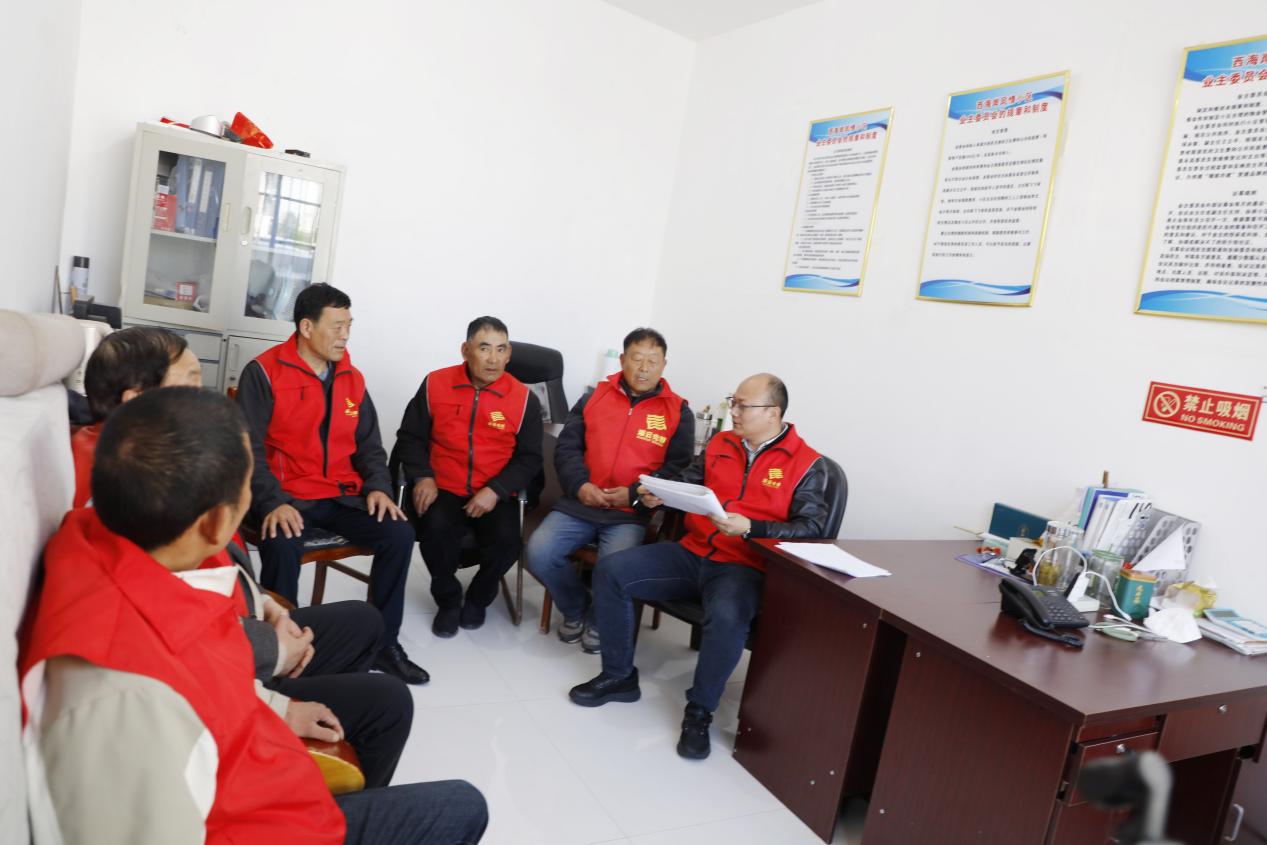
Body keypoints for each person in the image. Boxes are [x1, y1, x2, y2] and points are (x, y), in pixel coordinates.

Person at [20, 388, 488, 844]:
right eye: (248, 487)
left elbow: (210, 660)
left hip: (249, 750)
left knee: (379, 676)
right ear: (216, 524)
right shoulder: (127, 702)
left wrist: (277, 706)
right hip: (250, 815)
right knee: (462, 806)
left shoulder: (108, 534)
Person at [72, 325, 413, 789]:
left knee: (366, 617)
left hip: (249, 612)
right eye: (190, 381)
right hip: (232, 665)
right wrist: (275, 661)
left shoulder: (152, 457)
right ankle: (316, 759)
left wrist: (269, 606)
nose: (204, 395)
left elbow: (370, 447)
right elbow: (170, 645)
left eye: (350, 324)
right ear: (136, 400)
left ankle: (323, 735)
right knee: (389, 701)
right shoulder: (129, 490)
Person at [569, 374, 832, 760]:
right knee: (612, 571)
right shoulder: (721, 444)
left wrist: (753, 527)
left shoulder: (807, 464)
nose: (733, 411)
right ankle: (619, 675)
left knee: (727, 617)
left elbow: (813, 529)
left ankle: (700, 711)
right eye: (733, 402)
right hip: (693, 551)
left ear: (773, 413)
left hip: (743, 565)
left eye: (743, 405)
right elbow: (687, 483)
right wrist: (655, 495)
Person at [236, 284, 427, 685]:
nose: (345, 335)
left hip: (340, 495)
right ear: (307, 327)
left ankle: (385, 644)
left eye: (349, 326)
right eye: (337, 326)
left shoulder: (352, 378)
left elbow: (369, 446)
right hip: (286, 497)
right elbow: (247, 449)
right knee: (282, 540)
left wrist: (379, 488)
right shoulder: (264, 373)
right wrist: (271, 502)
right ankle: (284, 653)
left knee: (399, 532)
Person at [525, 328, 693, 652]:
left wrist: (633, 494)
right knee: (539, 553)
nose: (643, 368)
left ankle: (600, 621)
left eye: (652, 361)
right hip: (580, 503)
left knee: (614, 568)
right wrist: (580, 486)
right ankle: (576, 608)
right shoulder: (594, 397)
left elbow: (678, 469)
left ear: (664, 365)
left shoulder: (678, 411)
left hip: (629, 514)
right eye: (637, 358)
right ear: (623, 359)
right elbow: (567, 448)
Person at [395, 317, 543, 638]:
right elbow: (409, 437)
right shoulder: (435, 384)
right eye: (484, 348)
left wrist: (496, 489)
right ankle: (448, 599)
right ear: (465, 350)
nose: (493, 359)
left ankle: (479, 597)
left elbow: (530, 458)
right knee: (435, 528)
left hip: (495, 490)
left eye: (501, 350)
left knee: (507, 540)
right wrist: (422, 476)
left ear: (509, 354)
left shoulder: (524, 400)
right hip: (443, 485)